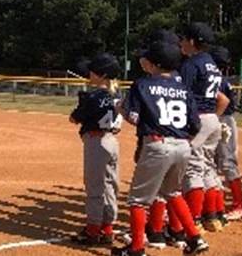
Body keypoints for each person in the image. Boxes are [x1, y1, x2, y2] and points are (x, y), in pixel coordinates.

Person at [112, 41, 208, 256]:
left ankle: (136, 249)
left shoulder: (143, 84)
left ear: (155, 63)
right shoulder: (183, 88)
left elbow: (135, 118)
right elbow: (195, 125)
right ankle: (194, 238)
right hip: (183, 145)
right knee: (173, 192)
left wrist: (121, 109)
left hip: (157, 144)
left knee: (137, 201)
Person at [177, 22, 230, 233]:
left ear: (191, 42)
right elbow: (221, 98)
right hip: (211, 118)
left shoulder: (191, 64)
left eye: (184, 39)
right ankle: (213, 216)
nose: (181, 43)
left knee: (193, 169)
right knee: (208, 167)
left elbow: (184, 95)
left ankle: (196, 219)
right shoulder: (211, 63)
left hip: (197, 117)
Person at [68, 53, 121, 246]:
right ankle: (107, 228)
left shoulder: (92, 97)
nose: (88, 73)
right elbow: (118, 124)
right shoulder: (117, 95)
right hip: (112, 141)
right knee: (110, 186)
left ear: (100, 74)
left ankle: (92, 230)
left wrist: (82, 106)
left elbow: (74, 118)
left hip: (96, 142)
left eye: (92, 71)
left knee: (94, 186)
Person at [210, 46, 242, 221]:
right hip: (223, 119)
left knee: (226, 162)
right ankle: (216, 205)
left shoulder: (216, 80)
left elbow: (223, 102)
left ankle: (240, 204)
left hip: (223, 120)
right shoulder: (220, 79)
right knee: (213, 163)